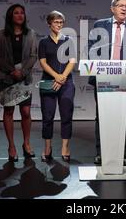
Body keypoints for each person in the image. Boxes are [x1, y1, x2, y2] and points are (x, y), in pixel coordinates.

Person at [88, 0, 126, 166]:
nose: (124, 9)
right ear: (112, 8)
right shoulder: (100, 25)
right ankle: (101, 153)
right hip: (102, 78)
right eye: (121, 6)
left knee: (122, 117)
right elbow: (91, 50)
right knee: (102, 116)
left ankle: (121, 154)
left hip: (124, 79)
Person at [0, 4, 38, 162]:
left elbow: (33, 56)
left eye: (22, 13)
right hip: (7, 78)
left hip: (24, 78)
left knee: (26, 112)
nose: (20, 15)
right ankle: (11, 146)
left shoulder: (31, 34)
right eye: (16, 13)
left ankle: (26, 144)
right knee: (9, 112)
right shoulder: (0, 34)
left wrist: (23, 72)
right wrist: (12, 71)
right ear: (10, 16)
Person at [38, 11, 76, 162]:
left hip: (66, 83)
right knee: (47, 117)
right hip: (48, 83)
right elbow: (42, 62)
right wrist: (56, 76)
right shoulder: (43, 42)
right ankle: (47, 146)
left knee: (66, 116)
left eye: (61, 22)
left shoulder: (69, 40)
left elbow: (72, 61)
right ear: (49, 24)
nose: (59, 25)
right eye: (56, 22)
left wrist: (62, 78)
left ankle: (65, 146)